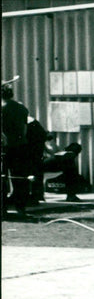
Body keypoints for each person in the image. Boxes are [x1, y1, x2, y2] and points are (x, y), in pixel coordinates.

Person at [25, 116, 83, 203]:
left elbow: (53, 151)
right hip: (29, 162)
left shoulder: (39, 134)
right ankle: (70, 194)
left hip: (41, 161)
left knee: (69, 159)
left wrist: (49, 141)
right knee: (68, 162)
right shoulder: (20, 133)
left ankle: (71, 194)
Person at [2, 80, 30, 214]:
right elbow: (24, 129)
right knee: (20, 177)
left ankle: (3, 208)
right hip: (20, 145)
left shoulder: (3, 108)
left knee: (3, 178)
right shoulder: (21, 107)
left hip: (5, 147)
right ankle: (21, 207)